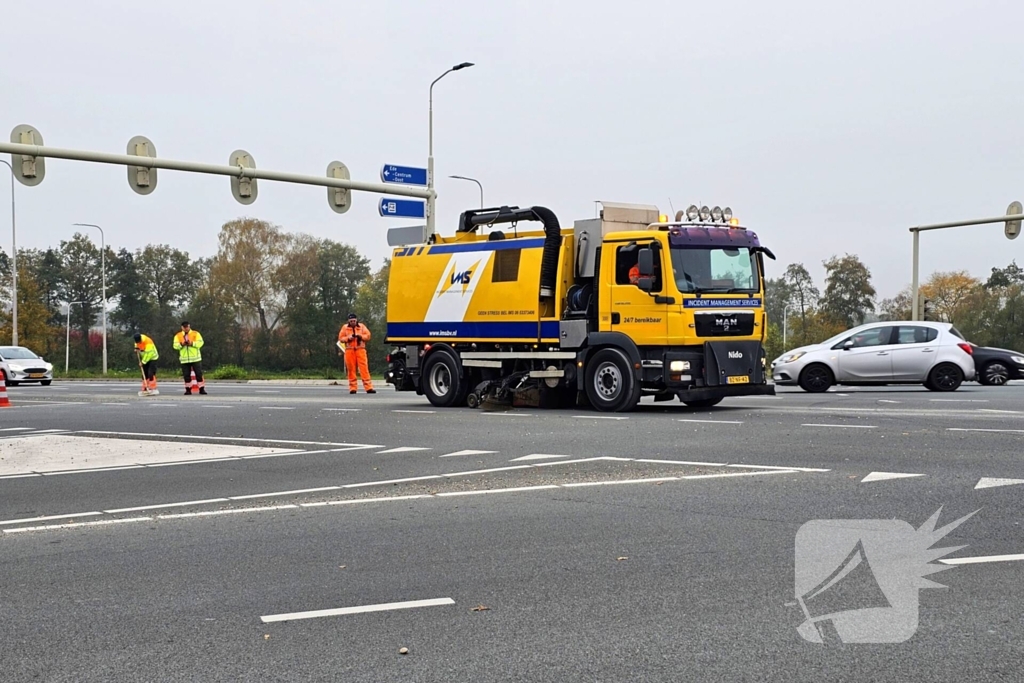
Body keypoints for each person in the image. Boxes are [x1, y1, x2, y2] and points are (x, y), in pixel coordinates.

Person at [338, 312, 375, 395]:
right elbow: (341, 338)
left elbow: (368, 335)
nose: (353, 322)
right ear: (349, 321)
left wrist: (360, 336)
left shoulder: (362, 327)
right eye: (351, 321)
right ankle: (353, 388)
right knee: (351, 370)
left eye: (354, 321)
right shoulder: (345, 328)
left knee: (364, 369)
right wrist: (348, 338)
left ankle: (369, 388)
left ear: (356, 320)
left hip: (360, 350)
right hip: (349, 350)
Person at [173, 321, 207, 395]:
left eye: (187, 327)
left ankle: (201, 389)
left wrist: (192, 343)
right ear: (181, 327)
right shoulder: (178, 335)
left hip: (195, 358)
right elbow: (175, 346)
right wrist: (181, 344)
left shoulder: (195, 334)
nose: (186, 328)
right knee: (186, 375)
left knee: (199, 374)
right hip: (184, 359)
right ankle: (188, 389)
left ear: (189, 326)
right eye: (184, 327)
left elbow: (200, 343)